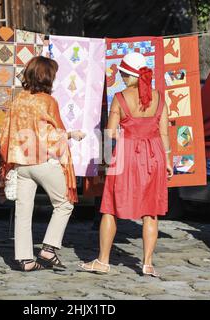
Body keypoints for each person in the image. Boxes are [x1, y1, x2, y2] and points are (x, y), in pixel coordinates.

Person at [80, 52, 173, 277]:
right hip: (155, 155)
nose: (121, 77)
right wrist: (168, 160)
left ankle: (103, 261)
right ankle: (148, 263)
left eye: (123, 73)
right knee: (151, 212)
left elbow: (110, 132)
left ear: (130, 75)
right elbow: (164, 133)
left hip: (127, 154)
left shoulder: (120, 98)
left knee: (110, 207)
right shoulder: (160, 97)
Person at [0, 56, 86, 272]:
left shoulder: (17, 100)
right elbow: (52, 135)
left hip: (21, 163)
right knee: (64, 204)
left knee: (23, 211)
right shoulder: (48, 102)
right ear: (47, 77)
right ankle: (48, 248)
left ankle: (26, 259)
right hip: (42, 162)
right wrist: (72, 134)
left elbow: (6, 133)